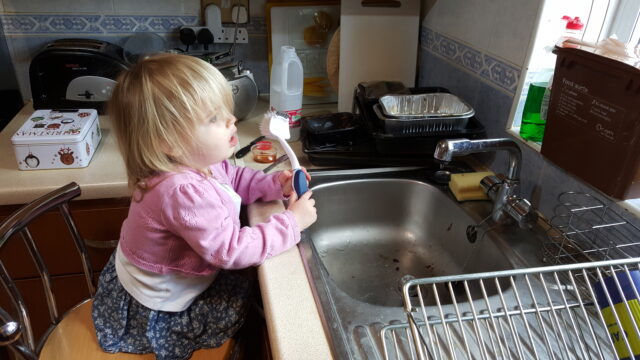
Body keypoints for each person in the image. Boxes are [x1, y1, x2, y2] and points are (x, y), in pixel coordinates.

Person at [91, 53, 317, 360]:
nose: (231, 119)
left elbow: (232, 178)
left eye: (225, 110)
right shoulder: (181, 191)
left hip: (165, 275)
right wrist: (290, 222)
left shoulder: (196, 161)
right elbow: (231, 252)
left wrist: (275, 184)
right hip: (162, 301)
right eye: (213, 118)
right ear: (167, 141)